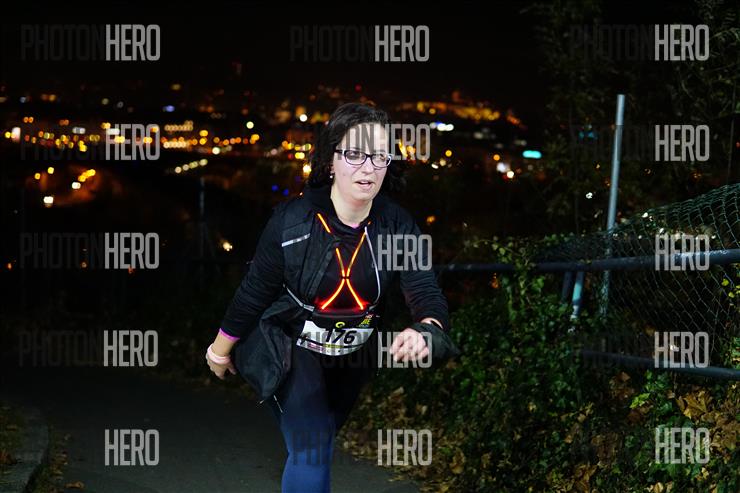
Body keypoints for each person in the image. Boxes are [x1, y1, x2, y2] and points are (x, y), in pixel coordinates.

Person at [205, 102, 456, 493]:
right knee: (312, 445)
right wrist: (220, 352)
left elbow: (425, 291)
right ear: (330, 161)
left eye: (379, 155)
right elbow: (254, 292)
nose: (368, 167)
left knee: (320, 440)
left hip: (352, 357)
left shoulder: (397, 225)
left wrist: (426, 330)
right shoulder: (292, 221)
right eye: (354, 153)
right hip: (291, 345)